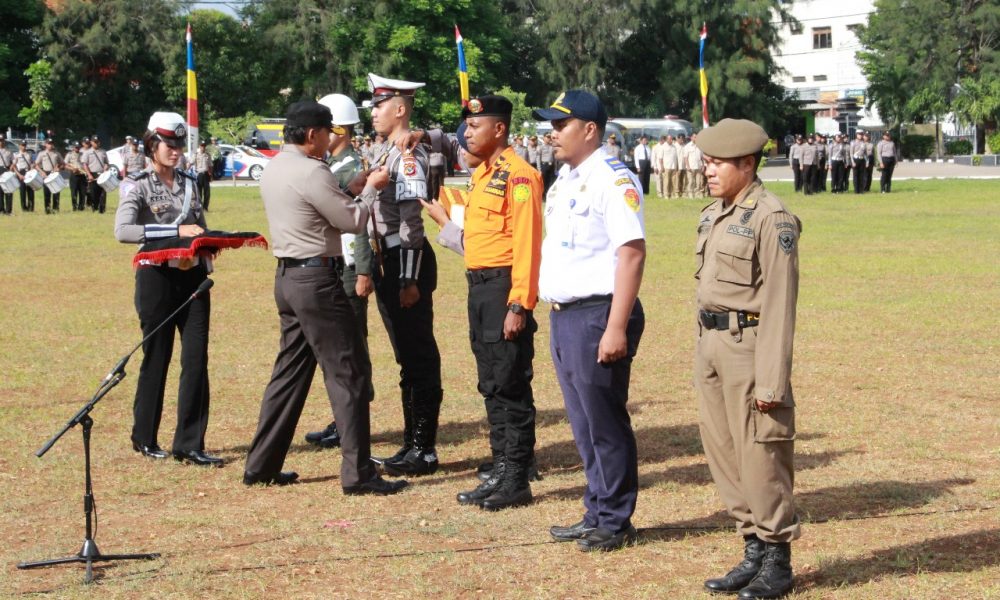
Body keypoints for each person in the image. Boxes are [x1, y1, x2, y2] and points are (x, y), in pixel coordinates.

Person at [245, 100, 406, 495]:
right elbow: (352, 220)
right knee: (347, 372)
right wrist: (369, 190)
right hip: (317, 279)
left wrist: (349, 190)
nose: (331, 138)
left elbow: (316, 205)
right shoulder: (314, 170)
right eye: (327, 132)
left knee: (289, 373)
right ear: (313, 134)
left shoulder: (277, 167)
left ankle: (261, 464)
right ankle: (358, 473)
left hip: (287, 278)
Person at [693, 118, 801, 599]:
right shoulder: (714, 213)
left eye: (717, 163)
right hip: (713, 347)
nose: (709, 170)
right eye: (707, 162)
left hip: (750, 349)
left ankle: (777, 558)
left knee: (761, 455)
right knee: (725, 453)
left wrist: (771, 382)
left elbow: (779, 301)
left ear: (747, 164)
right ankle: (752, 548)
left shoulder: (771, 218)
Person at [534, 90, 646, 552]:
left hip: (598, 314)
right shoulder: (565, 179)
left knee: (604, 422)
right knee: (583, 424)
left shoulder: (612, 178)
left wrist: (616, 327)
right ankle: (597, 509)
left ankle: (616, 519)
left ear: (589, 130)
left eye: (561, 126)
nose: (552, 133)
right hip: (565, 316)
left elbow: (632, 254)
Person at [422, 96, 544, 511]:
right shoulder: (482, 175)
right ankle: (501, 466)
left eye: (475, 126)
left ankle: (517, 476)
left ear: (499, 130)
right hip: (479, 287)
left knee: (510, 382)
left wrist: (520, 304)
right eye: (466, 126)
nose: (467, 133)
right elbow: (472, 221)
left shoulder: (520, 176)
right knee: (490, 383)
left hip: (503, 287)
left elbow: (528, 244)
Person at [113, 112, 223, 467]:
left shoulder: (190, 182)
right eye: (168, 145)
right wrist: (173, 235)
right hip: (156, 279)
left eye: (178, 144)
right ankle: (145, 437)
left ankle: (189, 443)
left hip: (192, 279)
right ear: (152, 146)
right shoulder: (138, 184)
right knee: (156, 357)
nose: (175, 151)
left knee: (196, 359)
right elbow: (124, 231)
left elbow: (199, 228)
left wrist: (209, 246)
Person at [366, 73, 444, 477]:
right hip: (387, 262)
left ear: (399, 108)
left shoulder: (407, 155)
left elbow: (412, 222)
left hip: (405, 263)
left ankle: (423, 449)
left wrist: (408, 279)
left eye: (379, 105)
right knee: (406, 358)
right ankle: (411, 443)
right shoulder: (386, 150)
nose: (373, 112)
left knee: (418, 357)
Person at [302, 93, 379, 450]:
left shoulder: (349, 167)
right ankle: (343, 417)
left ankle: (351, 419)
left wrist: (364, 270)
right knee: (341, 347)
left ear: (338, 131)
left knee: (350, 346)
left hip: (350, 266)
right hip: (336, 264)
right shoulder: (333, 165)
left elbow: (361, 222)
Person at [84, 136, 109, 212]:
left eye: (98, 142)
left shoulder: (103, 152)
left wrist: (106, 167)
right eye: (95, 142)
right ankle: (94, 208)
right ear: (91, 142)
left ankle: (102, 210)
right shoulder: (87, 152)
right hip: (92, 174)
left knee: (103, 193)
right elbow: (85, 165)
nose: (97, 143)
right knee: (94, 193)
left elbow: (107, 163)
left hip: (102, 174)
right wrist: (89, 175)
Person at [13, 142, 35, 212]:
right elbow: (14, 166)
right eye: (22, 145)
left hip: (28, 172)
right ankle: (24, 208)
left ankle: (31, 208)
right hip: (21, 173)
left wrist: (32, 168)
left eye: (25, 145)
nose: (24, 147)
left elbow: (32, 163)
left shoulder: (29, 154)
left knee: (30, 191)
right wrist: (19, 175)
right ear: (19, 146)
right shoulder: (16, 155)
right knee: (22, 191)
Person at [65, 141, 87, 211]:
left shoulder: (83, 154)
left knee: (82, 192)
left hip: (82, 175)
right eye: (76, 147)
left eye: (78, 147)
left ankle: (81, 207)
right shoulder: (69, 155)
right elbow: (65, 165)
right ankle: (74, 207)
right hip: (74, 175)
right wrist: (72, 169)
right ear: (73, 147)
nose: (77, 149)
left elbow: (86, 164)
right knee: (74, 192)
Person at [194, 141, 212, 210]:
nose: (203, 147)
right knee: (199, 192)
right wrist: (185, 170)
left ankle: (205, 207)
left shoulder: (208, 155)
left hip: (206, 174)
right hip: (199, 175)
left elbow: (210, 165)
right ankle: (200, 207)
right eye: (201, 146)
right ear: (199, 146)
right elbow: (190, 163)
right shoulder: (196, 155)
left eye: (204, 146)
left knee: (207, 192)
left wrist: (211, 175)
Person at [0, 135, 15, 215]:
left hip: (6, 171)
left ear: (4, 141)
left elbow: (13, 161)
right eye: (0, 140)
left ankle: (8, 210)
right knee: (0, 192)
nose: (1, 142)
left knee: (9, 190)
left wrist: (12, 167)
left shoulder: (9, 151)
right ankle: (1, 210)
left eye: (2, 140)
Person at [662, 134, 679, 199]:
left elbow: (676, 157)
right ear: (666, 139)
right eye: (669, 139)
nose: (671, 140)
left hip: (673, 166)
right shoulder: (663, 146)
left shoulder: (674, 147)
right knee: (666, 182)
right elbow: (660, 158)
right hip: (666, 166)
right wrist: (662, 166)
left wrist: (676, 166)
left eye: (671, 139)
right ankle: (666, 194)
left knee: (673, 181)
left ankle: (672, 194)